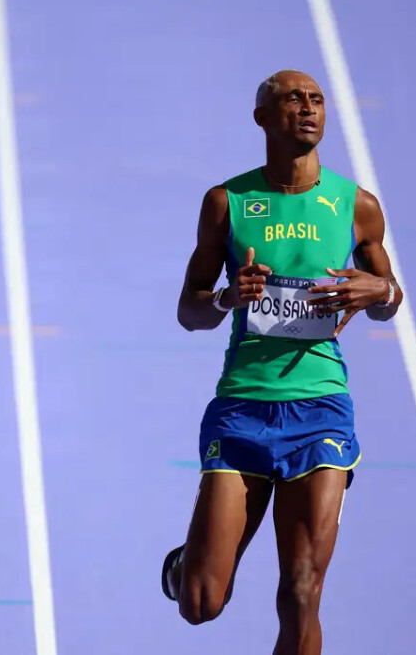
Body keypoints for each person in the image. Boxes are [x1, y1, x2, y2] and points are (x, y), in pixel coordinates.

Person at [161, 69, 402, 654]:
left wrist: (381, 292)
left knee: (301, 592)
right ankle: (183, 565)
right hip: (243, 407)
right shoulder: (227, 203)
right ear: (262, 118)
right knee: (201, 602)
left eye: (317, 100)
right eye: (293, 99)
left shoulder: (357, 205)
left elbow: (387, 295)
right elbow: (189, 312)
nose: (308, 108)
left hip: (320, 410)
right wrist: (226, 297)